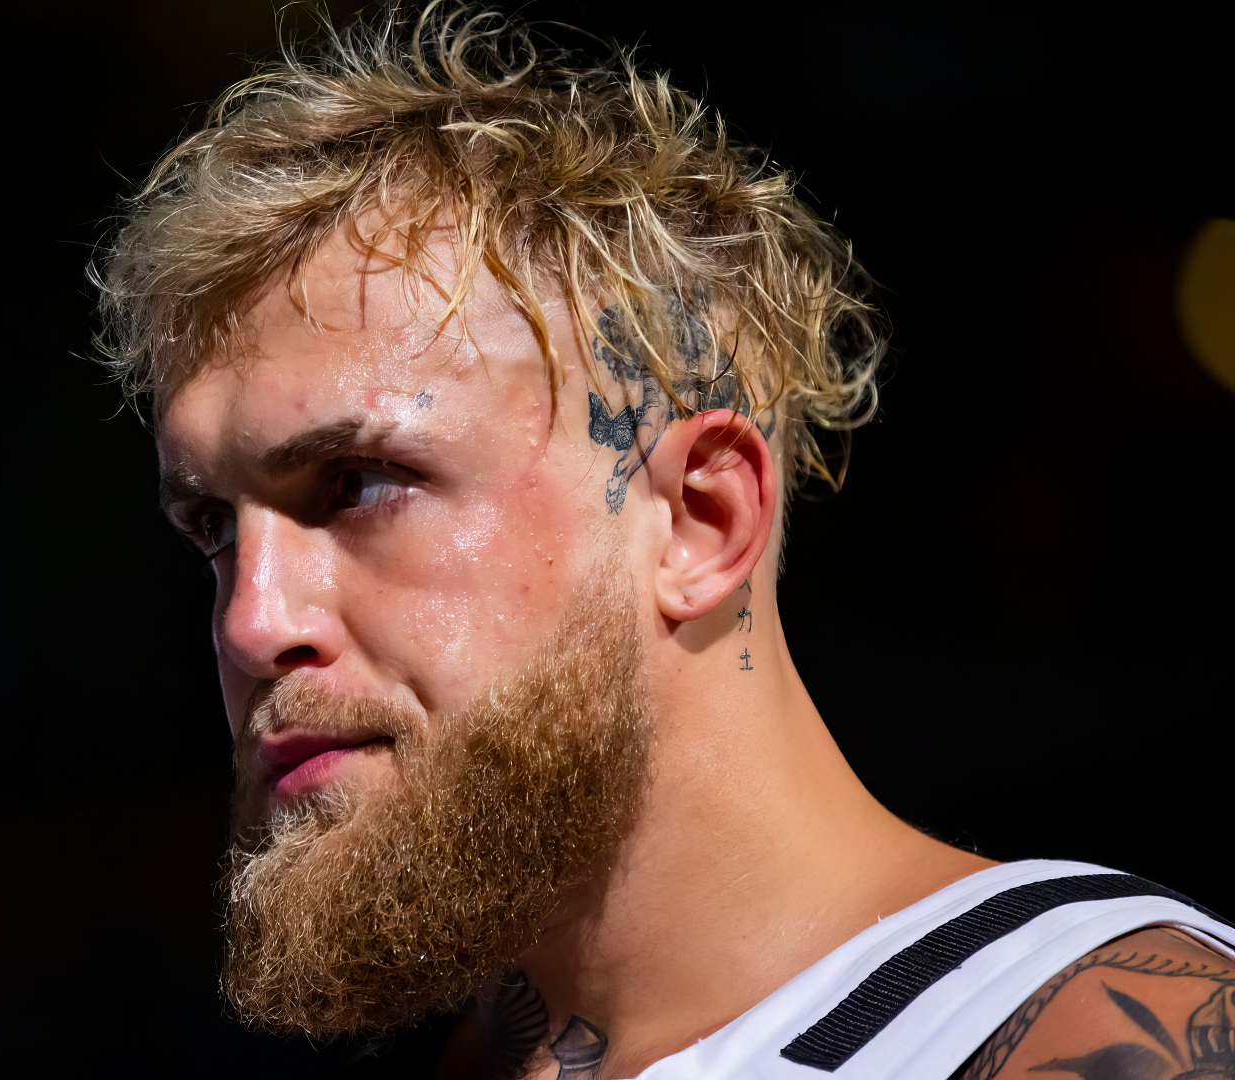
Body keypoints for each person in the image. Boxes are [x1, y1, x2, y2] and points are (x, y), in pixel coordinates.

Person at [92, 5, 1234, 1077]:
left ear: (700, 521)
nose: (253, 623)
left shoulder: (1097, 1034)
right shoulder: (466, 1049)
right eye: (210, 530)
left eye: (358, 485)